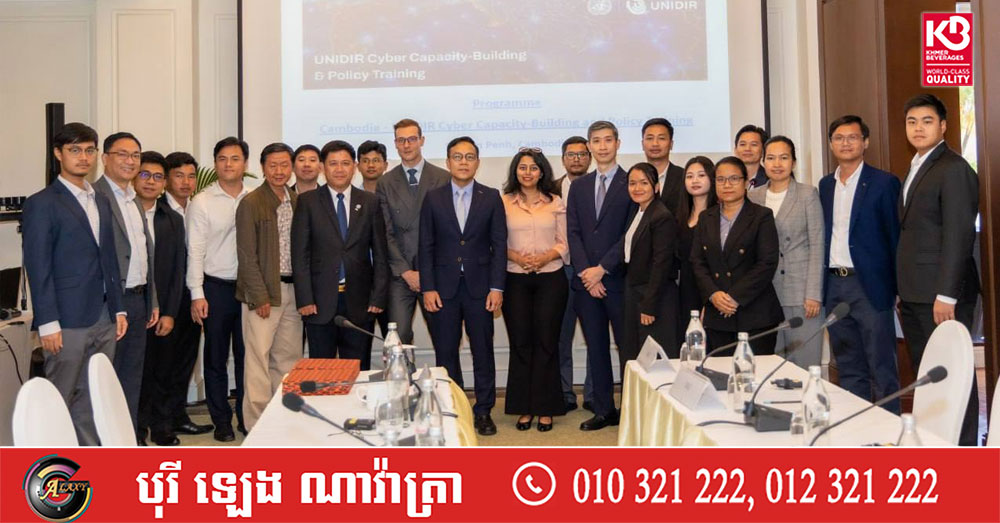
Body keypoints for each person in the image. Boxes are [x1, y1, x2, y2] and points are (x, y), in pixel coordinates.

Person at [22, 123, 127, 445]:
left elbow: (109, 257)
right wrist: (48, 322)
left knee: (94, 396)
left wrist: (119, 309)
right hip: (66, 320)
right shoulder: (42, 203)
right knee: (59, 397)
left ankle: (89, 459)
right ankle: (50, 464)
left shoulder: (101, 200)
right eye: (75, 150)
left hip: (105, 316)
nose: (83, 157)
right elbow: (38, 267)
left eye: (89, 150)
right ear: (58, 154)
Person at [896, 94, 980, 445]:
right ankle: (937, 444)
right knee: (930, 374)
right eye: (912, 121)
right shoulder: (918, 165)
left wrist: (946, 294)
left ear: (943, 126)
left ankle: (964, 450)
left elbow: (959, 234)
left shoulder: (953, 167)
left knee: (953, 374)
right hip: (916, 293)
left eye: (927, 121)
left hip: (941, 296)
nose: (918, 128)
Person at [419, 136, 506, 436]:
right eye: (458, 157)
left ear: (477, 162)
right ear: (448, 162)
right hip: (442, 290)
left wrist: (497, 287)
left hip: (480, 289)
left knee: (483, 351)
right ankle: (452, 409)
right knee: (446, 353)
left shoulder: (490, 197)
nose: (464, 162)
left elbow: (499, 245)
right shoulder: (433, 198)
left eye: (469, 157)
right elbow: (425, 245)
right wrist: (428, 287)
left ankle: (483, 411)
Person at [819, 115, 901, 412]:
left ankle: (889, 432)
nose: (846, 143)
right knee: (849, 366)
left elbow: (895, 237)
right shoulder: (825, 185)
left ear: (865, 142)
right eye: (839, 138)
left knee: (881, 366)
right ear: (831, 144)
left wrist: (897, 288)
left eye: (853, 137)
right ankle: (858, 430)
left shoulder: (884, 183)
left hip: (870, 286)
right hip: (834, 286)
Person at [292, 140, 389, 368]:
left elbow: (380, 254)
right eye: (333, 163)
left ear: (354, 167)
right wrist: (305, 299)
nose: (339, 169)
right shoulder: (308, 202)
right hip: (319, 302)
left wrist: (377, 297)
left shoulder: (370, 202)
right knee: (322, 371)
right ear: (322, 167)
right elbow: (300, 255)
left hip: (359, 302)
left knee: (358, 369)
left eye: (345, 163)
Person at [566, 121, 636, 431]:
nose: (603, 146)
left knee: (627, 349)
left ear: (618, 144)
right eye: (597, 141)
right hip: (586, 284)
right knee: (596, 348)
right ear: (590, 146)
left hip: (618, 280)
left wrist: (602, 269)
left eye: (608, 140)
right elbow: (574, 232)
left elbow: (630, 233)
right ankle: (604, 409)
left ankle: (631, 409)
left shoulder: (631, 181)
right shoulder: (579, 186)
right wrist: (586, 273)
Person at [94, 131, 158, 444]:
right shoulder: (93, 197)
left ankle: (127, 443)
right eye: (122, 154)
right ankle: (103, 446)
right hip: (108, 304)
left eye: (135, 155)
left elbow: (145, 253)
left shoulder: (134, 200)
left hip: (138, 300)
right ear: (105, 158)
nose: (130, 161)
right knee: (104, 379)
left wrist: (152, 299)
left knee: (132, 378)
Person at [187, 136, 252, 442]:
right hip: (215, 288)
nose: (228, 164)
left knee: (247, 357)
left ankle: (246, 416)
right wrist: (197, 293)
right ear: (215, 164)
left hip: (249, 290)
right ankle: (221, 421)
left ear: (245, 163)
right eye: (222, 159)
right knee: (215, 359)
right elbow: (195, 251)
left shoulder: (255, 196)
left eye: (235, 158)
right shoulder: (202, 201)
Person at [236, 142, 303, 430]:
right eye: (273, 165)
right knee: (258, 363)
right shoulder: (251, 202)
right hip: (264, 293)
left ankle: (283, 422)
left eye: (284, 165)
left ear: (292, 167)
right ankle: (257, 427)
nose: (279, 171)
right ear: (262, 168)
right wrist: (259, 295)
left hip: (293, 292)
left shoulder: (296, 200)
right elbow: (246, 254)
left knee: (288, 361)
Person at [501, 148, 569, 432]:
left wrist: (545, 257)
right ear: (515, 171)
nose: (527, 172)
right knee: (520, 342)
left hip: (550, 278)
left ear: (542, 172)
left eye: (533, 168)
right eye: (522, 167)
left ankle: (545, 407)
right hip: (514, 278)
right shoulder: (503, 202)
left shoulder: (555, 202)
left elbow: (564, 242)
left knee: (546, 342)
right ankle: (524, 407)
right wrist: (516, 257)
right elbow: (495, 241)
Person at [691, 157, 783, 354]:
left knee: (756, 372)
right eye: (721, 179)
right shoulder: (706, 218)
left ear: (745, 182)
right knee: (718, 371)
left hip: (754, 313)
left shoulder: (761, 216)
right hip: (717, 315)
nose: (727, 185)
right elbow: (697, 262)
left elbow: (767, 263)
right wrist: (713, 294)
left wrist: (734, 297)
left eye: (733, 179)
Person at [748, 136, 825, 368]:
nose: (777, 164)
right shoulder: (753, 196)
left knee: (804, 363)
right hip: (764, 294)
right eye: (771, 158)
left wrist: (813, 294)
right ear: (763, 162)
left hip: (800, 293)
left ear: (794, 162)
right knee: (771, 365)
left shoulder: (807, 194)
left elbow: (817, 244)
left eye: (784, 158)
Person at [376, 119, 451, 345]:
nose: (406, 145)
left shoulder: (443, 178)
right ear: (395, 144)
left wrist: (427, 271)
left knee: (444, 335)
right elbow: (385, 232)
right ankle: (404, 370)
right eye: (401, 140)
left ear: (422, 141)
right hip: (401, 273)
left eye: (411, 139)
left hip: (435, 271)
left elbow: (448, 230)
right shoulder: (385, 182)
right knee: (398, 337)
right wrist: (406, 271)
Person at [134, 152, 189, 445]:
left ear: (164, 182)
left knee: (163, 370)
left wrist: (169, 312)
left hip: (165, 310)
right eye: (145, 174)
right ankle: (136, 429)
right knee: (136, 373)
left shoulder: (173, 219)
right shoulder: (123, 213)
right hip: (133, 307)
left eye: (157, 177)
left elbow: (178, 270)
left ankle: (162, 427)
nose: (151, 182)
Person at [158, 152, 213, 438]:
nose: (186, 182)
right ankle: (161, 424)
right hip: (167, 299)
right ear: (167, 179)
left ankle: (178, 415)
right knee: (164, 363)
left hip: (193, 296)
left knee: (186, 360)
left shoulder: (197, 208)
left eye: (191, 176)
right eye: (179, 175)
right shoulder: (157, 211)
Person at [621, 163, 679, 369]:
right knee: (634, 355)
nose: (637, 188)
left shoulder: (661, 216)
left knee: (654, 362)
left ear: (656, 187)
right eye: (632, 183)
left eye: (644, 183)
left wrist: (649, 305)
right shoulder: (638, 212)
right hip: (635, 292)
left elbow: (661, 264)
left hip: (654, 297)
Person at [554, 136, 593, 412]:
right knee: (561, 335)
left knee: (594, 334)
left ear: (589, 158)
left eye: (582, 154)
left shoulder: (598, 187)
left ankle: (593, 393)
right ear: (563, 159)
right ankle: (564, 392)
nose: (576, 159)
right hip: (560, 270)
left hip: (592, 271)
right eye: (571, 154)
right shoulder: (550, 189)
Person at [675, 157, 717, 346]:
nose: (695, 180)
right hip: (685, 289)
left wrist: (709, 302)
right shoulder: (680, 216)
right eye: (690, 176)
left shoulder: (719, 215)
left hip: (709, 289)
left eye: (701, 175)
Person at [356, 139, 391, 338]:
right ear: (358, 165)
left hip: (391, 278)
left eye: (376, 160)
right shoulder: (350, 198)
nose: (371, 165)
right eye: (365, 160)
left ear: (385, 165)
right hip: (360, 281)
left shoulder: (394, 197)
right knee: (360, 338)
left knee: (395, 336)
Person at [641, 117, 685, 217]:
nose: (655, 144)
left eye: (661, 138)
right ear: (642, 144)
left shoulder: (684, 177)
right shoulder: (632, 180)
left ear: (671, 144)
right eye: (650, 138)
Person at [734, 125, 769, 189]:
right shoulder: (726, 179)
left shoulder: (771, 181)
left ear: (763, 151)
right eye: (743, 144)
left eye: (754, 144)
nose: (747, 149)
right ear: (735, 150)